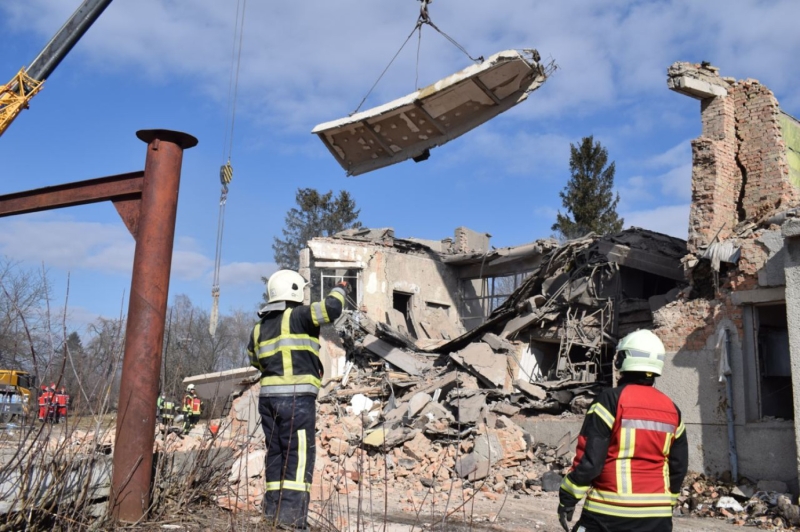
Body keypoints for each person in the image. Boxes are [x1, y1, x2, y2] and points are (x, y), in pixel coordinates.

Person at [558, 329, 689, 532]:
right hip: (658, 517)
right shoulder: (672, 409)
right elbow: (678, 466)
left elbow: (590, 461)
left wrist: (568, 498)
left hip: (610, 512)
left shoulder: (609, 400)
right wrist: (668, 503)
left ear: (623, 360)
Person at [248, 270, 345, 530]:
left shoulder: (258, 328)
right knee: (298, 456)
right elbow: (332, 308)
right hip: (296, 400)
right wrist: (341, 288)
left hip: (268, 401)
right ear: (294, 291)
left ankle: (271, 514)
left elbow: (255, 360)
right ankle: (290, 522)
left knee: (277, 454)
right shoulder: (300, 316)